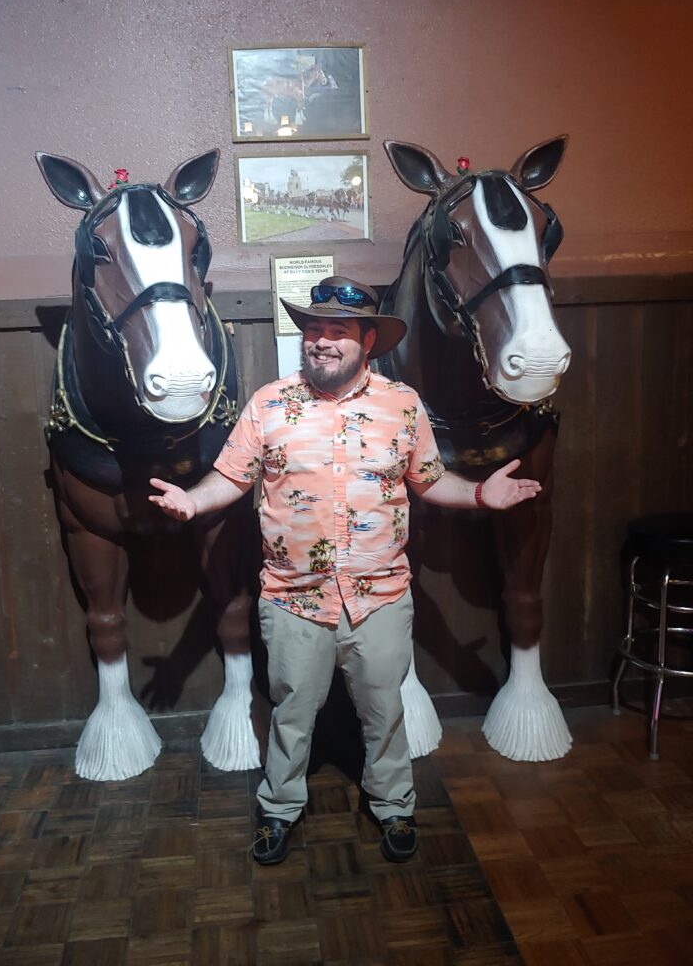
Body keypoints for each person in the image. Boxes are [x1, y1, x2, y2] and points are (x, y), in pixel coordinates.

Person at [149, 276, 541, 865]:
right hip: (292, 600)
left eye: (337, 331)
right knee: (290, 716)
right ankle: (278, 809)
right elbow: (229, 477)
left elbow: (430, 481)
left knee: (385, 713)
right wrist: (192, 501)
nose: (322, 342)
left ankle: (394, 807)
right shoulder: (270, 404)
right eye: (313, 330)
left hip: (379, 598)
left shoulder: (402, 406)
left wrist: (483, 494)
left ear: (367, 342)